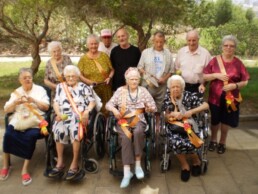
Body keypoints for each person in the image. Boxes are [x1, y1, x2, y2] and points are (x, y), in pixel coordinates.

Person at [105, 67, 157, 188]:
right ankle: (127, 172)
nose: (134, 81)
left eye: (136, 79)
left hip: (138, 119)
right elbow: (109, 104)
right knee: (125, 136)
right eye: (132, 79)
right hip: (123, 119)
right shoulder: (120, 91)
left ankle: (138, 165)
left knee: (139, 131)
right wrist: (114, 109)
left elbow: (153, 106)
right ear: (127, 80)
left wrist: (149, 108)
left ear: (139, 80)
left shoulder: (143, 91)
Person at [0, 68, 50, 186]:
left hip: (35, 121)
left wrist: (34, 100)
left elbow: (46, 107)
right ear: (20, 80)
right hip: (19, 119)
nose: (28, 79)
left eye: (29, 77)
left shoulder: (40, 90)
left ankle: (25, 169)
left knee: (30, 137)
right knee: (8, 134)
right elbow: (6, 109)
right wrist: (15, 103)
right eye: (25, 78)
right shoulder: (16, 92)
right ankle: (6, 165)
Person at [203, 35, 249, 154]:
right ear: (222, 47)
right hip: (215, 97)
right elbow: (204, 76)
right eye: (226, 45)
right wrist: (216, 75)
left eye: (231, 46)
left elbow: (245, 80)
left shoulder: (238, 63)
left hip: (231, 98)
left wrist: (235, 86)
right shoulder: (214, 60)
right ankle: (213, 140)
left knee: (226, 120)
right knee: (215, 120)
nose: (228, 48)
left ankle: (222, 142)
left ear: (235, 48)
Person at [48, 65, 96, 180]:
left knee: (75, 128)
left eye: (73, 76)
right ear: (64, 76)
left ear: (78, 76)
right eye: (68, 76)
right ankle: (60, 162)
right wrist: (58, 114)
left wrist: (87, 112)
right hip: (63, 115)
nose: (70, 78)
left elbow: (92, 102)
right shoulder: (60, 87)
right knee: (59, 129)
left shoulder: (84, 87)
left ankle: (74, 163)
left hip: (79, 116)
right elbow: (55, 103)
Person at [162, 75, 209, 182]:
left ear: (182, 87)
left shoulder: (189, 96)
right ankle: (185, 166)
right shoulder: (167, 98)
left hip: (190, 125)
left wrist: (191, 112)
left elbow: (206, 105)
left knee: (191, 141)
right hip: (174, 127)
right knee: (175, 142)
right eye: (173, 87)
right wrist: (170, 115)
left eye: (177, 86)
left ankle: (196, 161)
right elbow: (164, 115)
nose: (175, 89)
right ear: (169, 88)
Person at [138, 31, 174, 113]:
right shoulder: (145, 52)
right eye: (157, 42)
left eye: (161, 42)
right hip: (148, 86)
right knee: (147, 108)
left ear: (164, 41)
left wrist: (164, 78)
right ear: (153, 41)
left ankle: (158, 124)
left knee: (160, 109)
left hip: (162, 87)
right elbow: (140, 67)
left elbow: (171, 70)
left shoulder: (168, 54)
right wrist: (146, 75)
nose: (159, 44)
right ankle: (148, 124)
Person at [78, 34, 114, 116]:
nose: (94, 46)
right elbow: (79, 74)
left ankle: (106, 128)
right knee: (93, 111)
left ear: (98, 44)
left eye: (95, 43)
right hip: (91, 90)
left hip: (105, 88)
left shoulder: (104, 56)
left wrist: (109, 77)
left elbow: (112, 70)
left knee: (107, 111)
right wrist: (88, 81)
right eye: (91, 44)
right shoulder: (83, 59)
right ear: (87, 45)